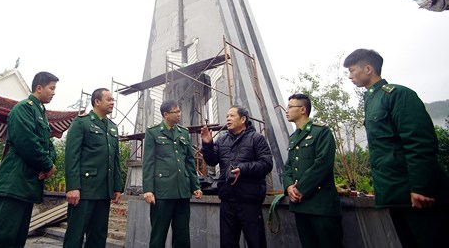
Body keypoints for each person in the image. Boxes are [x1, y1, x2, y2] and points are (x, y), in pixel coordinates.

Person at [343, 49, 449, 247]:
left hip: (416, 195)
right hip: (395, 195)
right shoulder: (371, 100)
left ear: (368, 68)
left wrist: (420, 187)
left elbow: (419, 142)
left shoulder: (398, 95)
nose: (349, 76)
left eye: (352, 70)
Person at [0, 71, 58, 248]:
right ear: (39, 88)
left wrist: (50, 164)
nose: (54, 92)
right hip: (14, 183)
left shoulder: (40, 113)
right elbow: (27, 142)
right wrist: (47, 164)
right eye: (51, 88)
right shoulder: (23, 109)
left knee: (17, 239)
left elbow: (50, 146)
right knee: (3, 238)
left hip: (27, 184)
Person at [201, 105, 273, 248]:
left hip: (249, 200)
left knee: (256, 242)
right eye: (227, 116)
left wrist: (243, 169)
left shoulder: (256, 139)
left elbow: (266, 164)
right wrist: (208, 144)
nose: (228, 118)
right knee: (228, 243)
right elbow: (211, 161)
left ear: (243, 119)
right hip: (228, 199)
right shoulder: (222, 140)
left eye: (232, 116)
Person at [282, 93, 343, 248]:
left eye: (290, 107)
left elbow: (322, 164)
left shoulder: (321, 132)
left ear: (303, 109)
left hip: (321, 205)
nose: (286, 110)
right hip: (301, 206)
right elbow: (288, 166)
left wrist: (300, 189)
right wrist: (289, 187)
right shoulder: (293, 137)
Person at [63, 88, 122, 248]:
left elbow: (115, 159)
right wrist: (73, 187)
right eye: (109, 99)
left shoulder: (112, 127)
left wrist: (117, 187)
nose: (112, 103)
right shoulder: (82, 122)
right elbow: (72, 156)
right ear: (97, 101)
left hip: (104, 191)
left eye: (113, 100)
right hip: (84, 190)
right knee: (75, 234)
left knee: (98, 236)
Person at [142, 99, 203, 248]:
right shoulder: (153, 131)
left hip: (182, 191)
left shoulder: (183, 133)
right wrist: (148, 189)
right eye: (176, 112)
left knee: (182, 235)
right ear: (166, 114)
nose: (179, 114)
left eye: (179, 111)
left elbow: (189, 161)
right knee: (159, 234)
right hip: (162, 192)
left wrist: (195, 186)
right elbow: (148, 162)